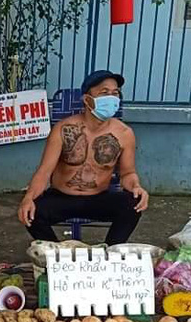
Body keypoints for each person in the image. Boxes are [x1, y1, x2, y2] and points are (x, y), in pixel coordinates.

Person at [18, 69, 149, 245]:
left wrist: (136, 187)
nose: (111, 98)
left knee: (133, 205)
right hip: (61, 198)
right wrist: (28, 197)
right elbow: (44, 172)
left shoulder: (124, 134)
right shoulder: (63, 129)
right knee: (32, 212)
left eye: (115, 93)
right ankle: (56, 253)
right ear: (87, 100)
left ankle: (108, 253)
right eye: (104, 93)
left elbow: (128, 174)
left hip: (99, 198)